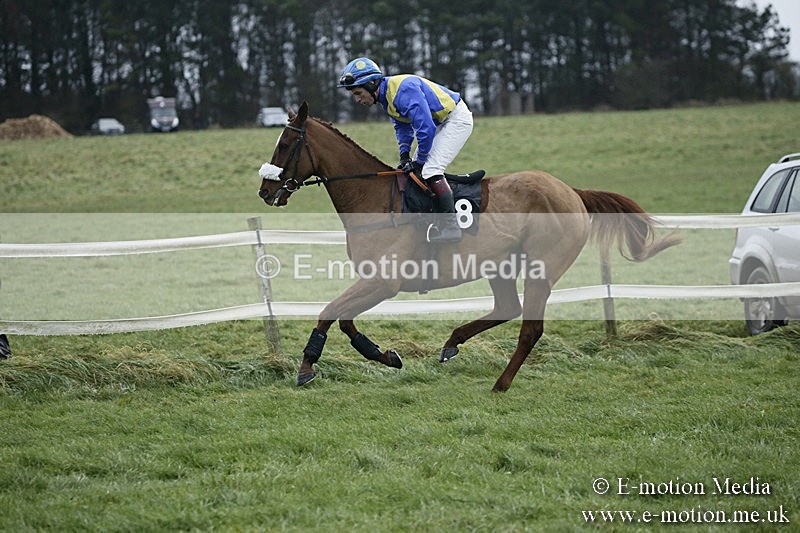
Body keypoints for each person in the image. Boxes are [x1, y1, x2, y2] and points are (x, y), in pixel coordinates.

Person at [338, 57, 473, 243]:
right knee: (413, 173)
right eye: (354, 95)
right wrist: (404, 154)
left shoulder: (404, 89)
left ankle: (451, 227)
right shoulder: (386, 98)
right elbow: (402, 128)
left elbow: (425, 127)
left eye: (359, 93)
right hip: (440, 123)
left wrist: (420, 159)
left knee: (431, 169)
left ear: (371, 83)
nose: (357, 99)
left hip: (456, 120)